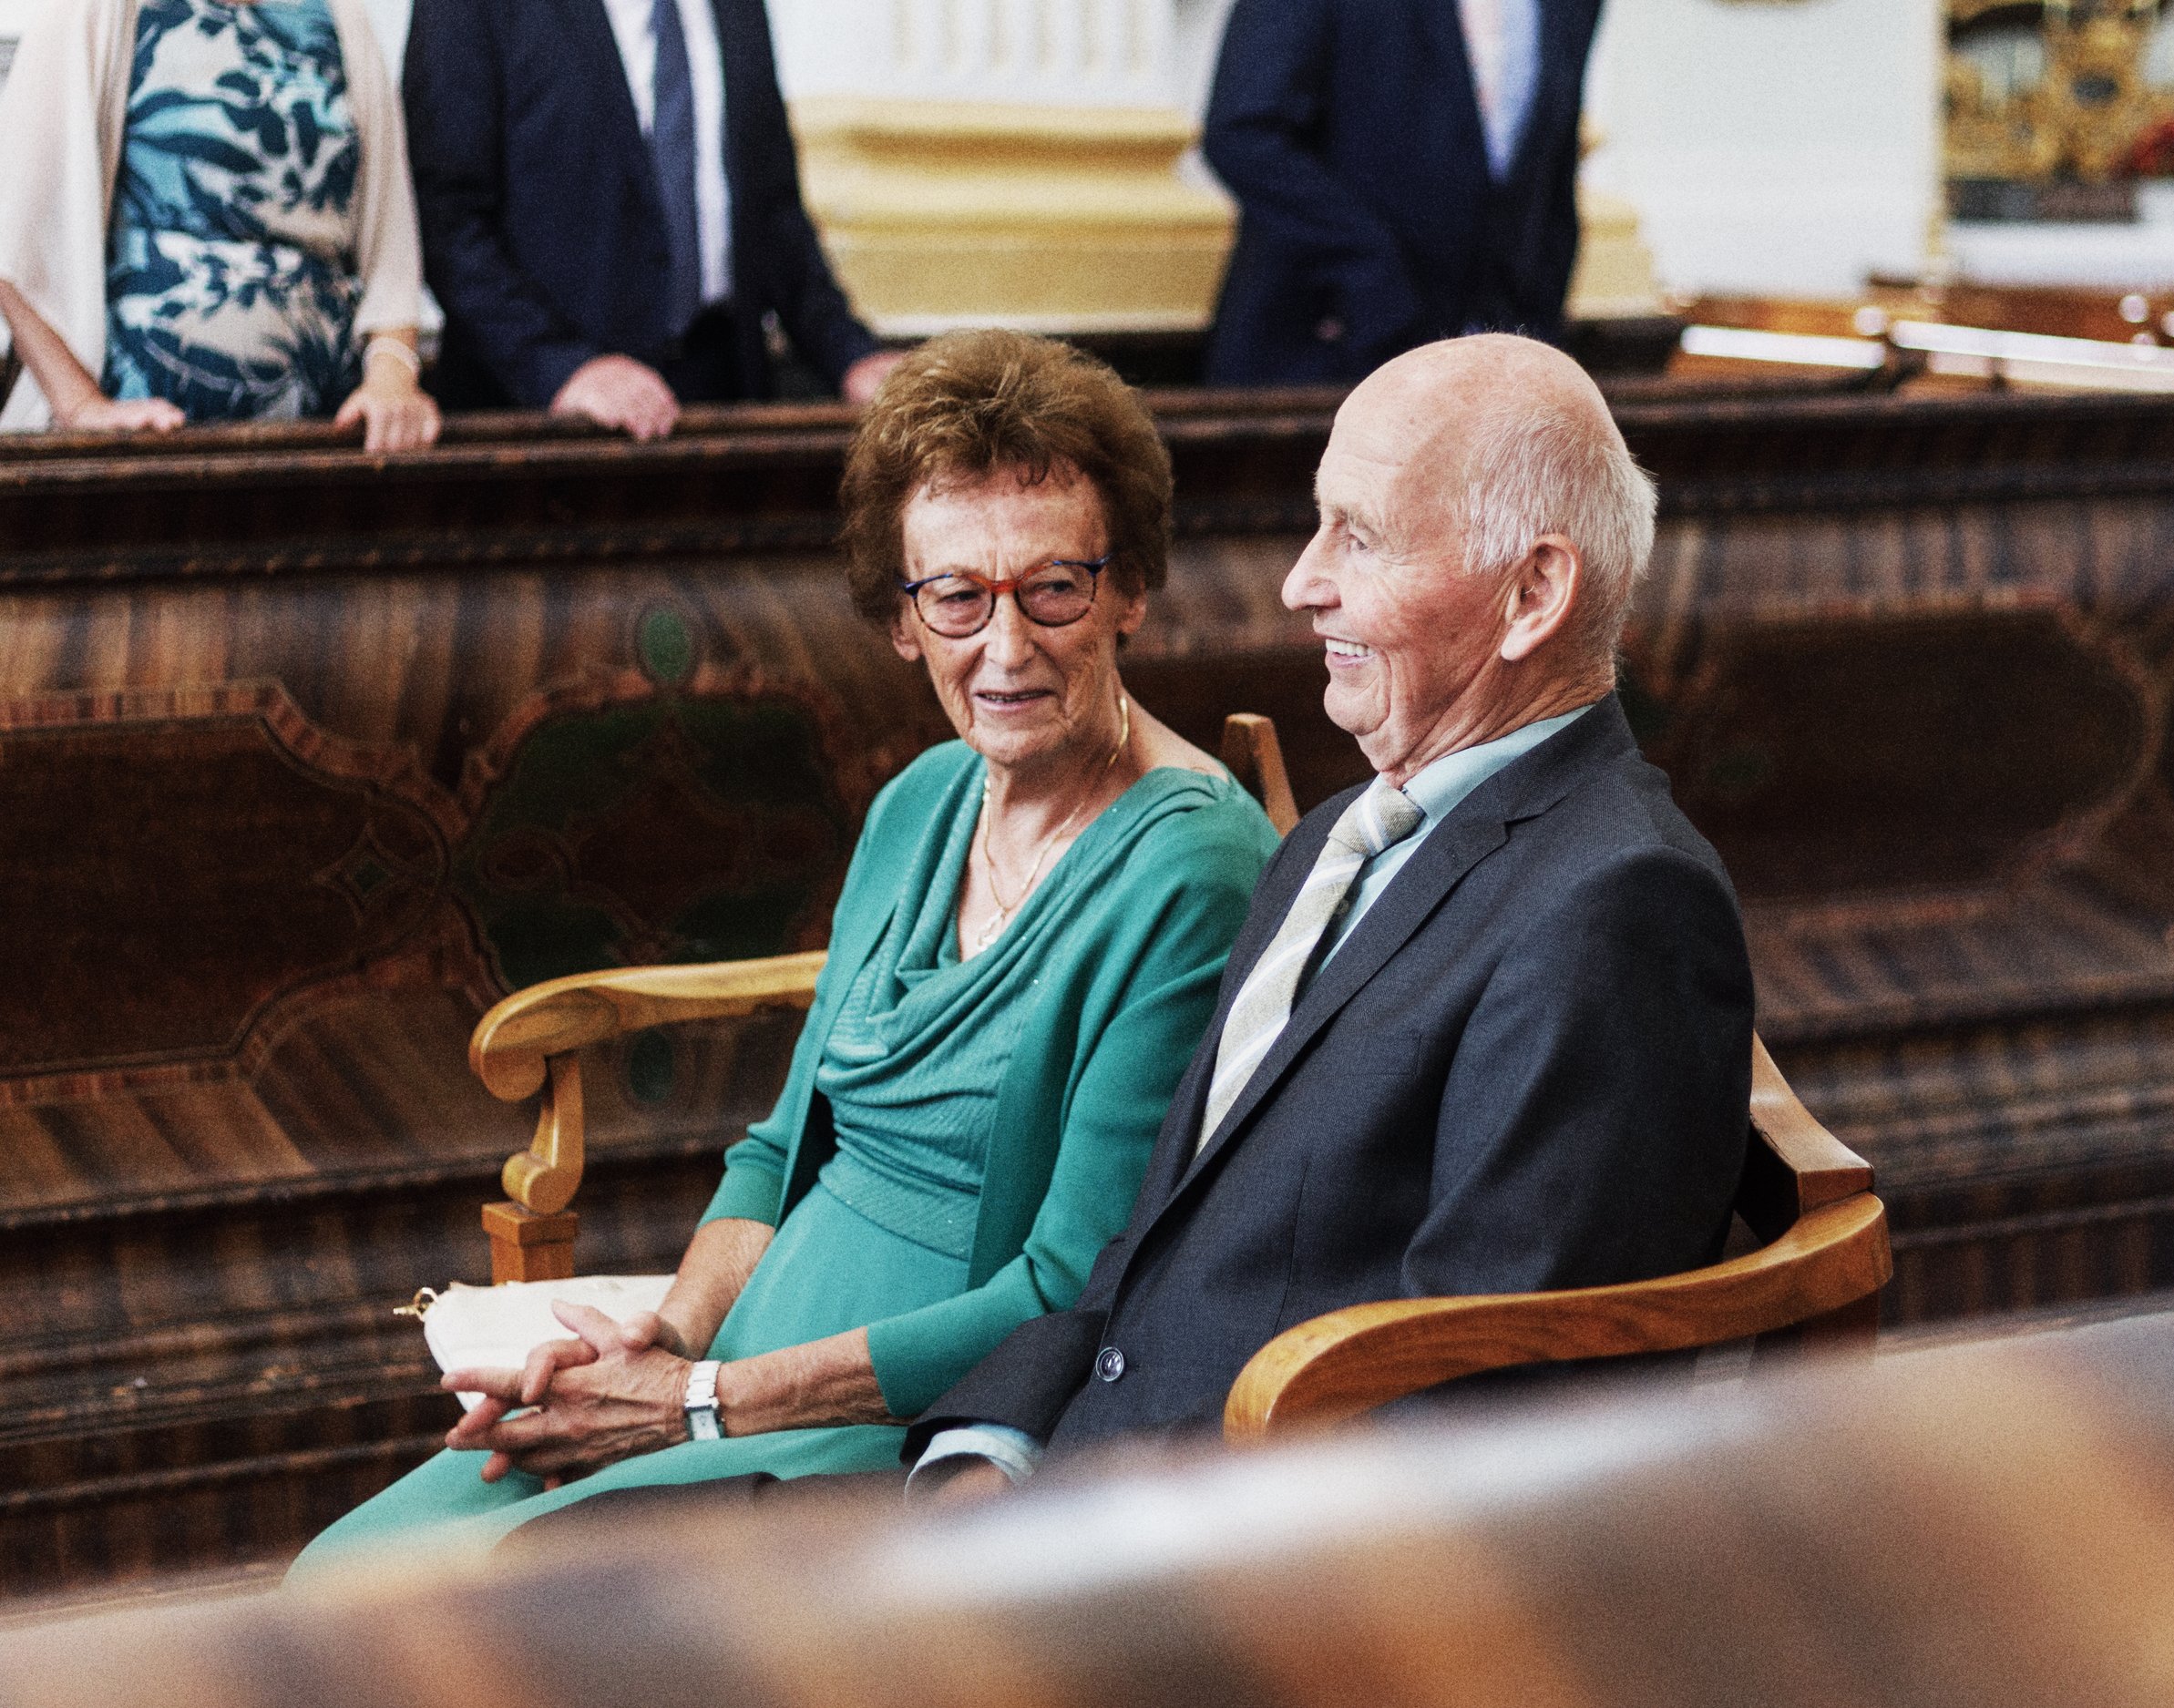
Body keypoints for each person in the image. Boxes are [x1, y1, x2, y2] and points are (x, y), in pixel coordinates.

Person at [290, 332, 1279, 1567]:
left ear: (1131, 588)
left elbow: (1061, 1292)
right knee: (339, 1573)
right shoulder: (923, 798)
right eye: (959, 595)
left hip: (914, 1431)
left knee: (449, 1616)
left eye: (1056, 588)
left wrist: (696, 1404)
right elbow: (776, 1147)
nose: (1007, 646)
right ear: (903, 619)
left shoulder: (1192, 868)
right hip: (734, 1363)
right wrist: (662, 1342)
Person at [905, 333, 1753, 1498]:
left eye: (1359, 536)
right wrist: (984, 1456)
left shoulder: (1615, 905)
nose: (1303, 581)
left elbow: (1484, 1419)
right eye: (1318, 526)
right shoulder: (1339, 831)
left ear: (1532, 595)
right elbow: (1154, 1252)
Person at [400, 0, 898, 439]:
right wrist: (562, 367)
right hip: (544, 423)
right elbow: (446, 222)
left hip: (724, 400)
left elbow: (772, 214)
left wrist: (852, 356)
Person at [0, 0, 439, 450]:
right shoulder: (97, 9)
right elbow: (9, 229)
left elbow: (392, 245)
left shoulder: (341, 16)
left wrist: (392, 378)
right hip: (133, 445)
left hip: (325, 435)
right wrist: (80, 405)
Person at [1200, 0, 1605, 386]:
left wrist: (1537, 334)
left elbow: (1550, 166)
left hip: (1501, 367)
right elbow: (1245, 132)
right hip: (1325, 350)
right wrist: (1370, 270)